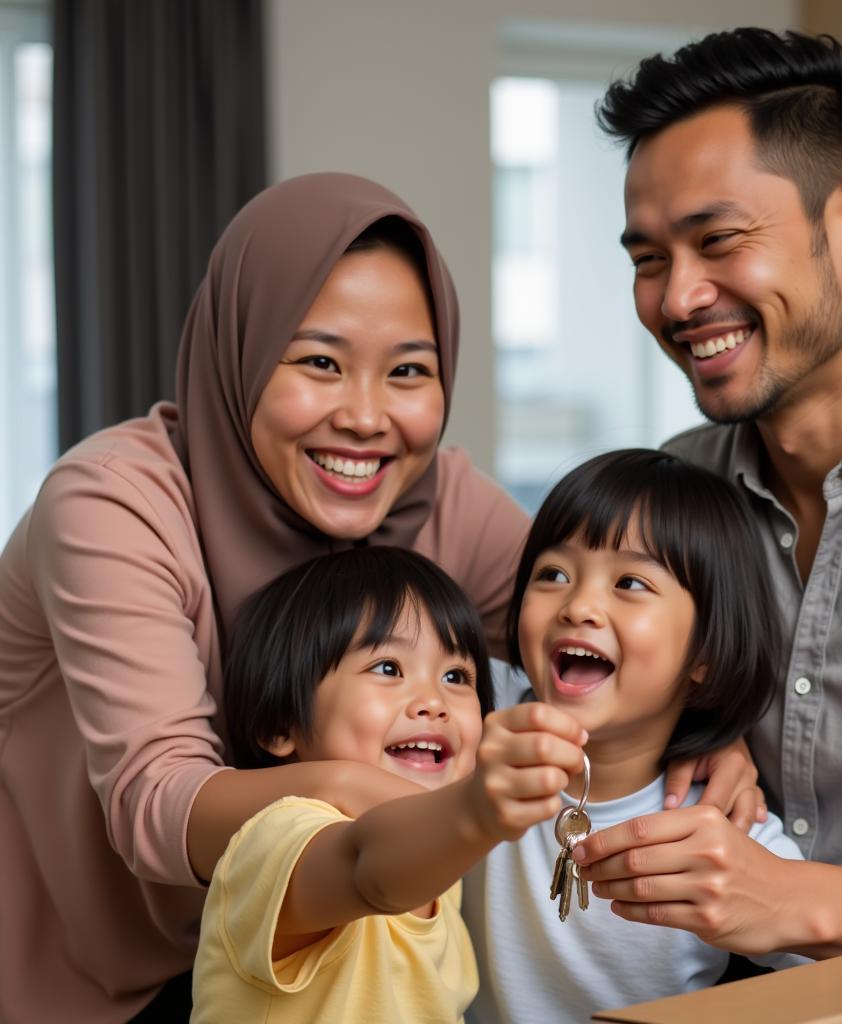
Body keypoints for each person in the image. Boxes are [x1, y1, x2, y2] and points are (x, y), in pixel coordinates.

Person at [0, 173, 530, 1023]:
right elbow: (159, 804)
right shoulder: (114, 502)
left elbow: (603, 637)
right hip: (89, 985)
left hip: (314, 970)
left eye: (407, 371)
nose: (365, 417)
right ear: (241, 349)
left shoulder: (441, 502)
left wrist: (704, 736)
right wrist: (420, 804)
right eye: (320, 362)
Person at [569, 27, 842, 957]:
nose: (677, 299)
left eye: (719, 240)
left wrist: (807, 904)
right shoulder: (671, 492)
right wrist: (684, 730)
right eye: (647, 259)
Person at [463, 449, 808, 1024]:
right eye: (554, 574)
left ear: (705, 653)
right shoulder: (471, 716)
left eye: (629, 582)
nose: (579, 606)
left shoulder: (727, 839)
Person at [191, 545, 586, 1023]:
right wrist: (476, 812)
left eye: (457, 676)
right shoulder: (274, 840)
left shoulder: (443, 871)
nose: (433, 701)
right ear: (280, 725)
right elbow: (364, 866)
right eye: (387, 668)